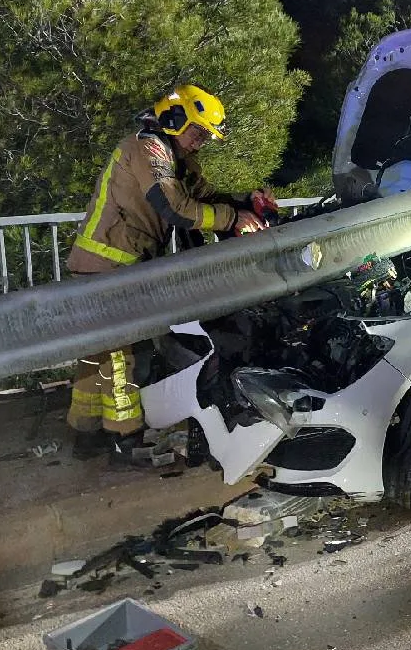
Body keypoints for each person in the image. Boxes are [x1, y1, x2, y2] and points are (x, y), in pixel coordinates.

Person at [66, 84, 274, 459]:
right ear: (175, 118)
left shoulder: (174, 156)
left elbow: (203, 196)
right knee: (118, 356)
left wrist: (246, 202)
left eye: (205, 136)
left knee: (96, 354)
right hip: (107, 265)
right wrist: (232, 219)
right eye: (197, 132)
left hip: (118, 265)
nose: (200, 142)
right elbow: (175, 207)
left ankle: (83, 431)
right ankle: (124, 436)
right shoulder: (147, 149)